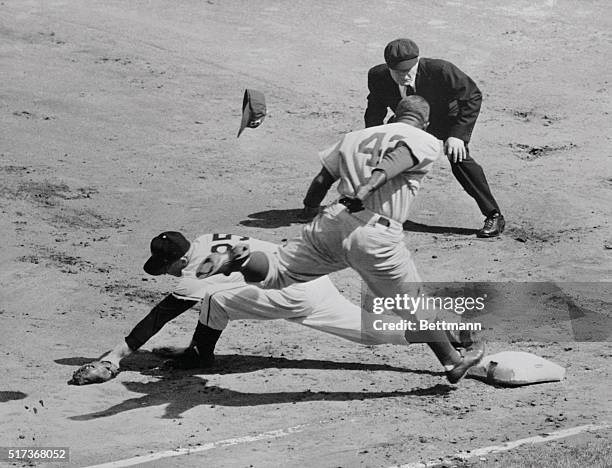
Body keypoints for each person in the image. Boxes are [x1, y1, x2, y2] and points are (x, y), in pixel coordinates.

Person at [198, 96, 485, 384]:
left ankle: (242, 259)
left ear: (392, 116)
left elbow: (322, 180)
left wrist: (309, 208)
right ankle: (451, 360)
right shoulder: (424, 139)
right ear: (426, 121)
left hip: (332, 222)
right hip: (376, 232)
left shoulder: (354, 137)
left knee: (278, 272)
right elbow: (396, 159)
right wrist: (367, 187)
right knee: (410, 302)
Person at [71, 232, 413, 384]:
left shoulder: (194, 274)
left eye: (166, 267)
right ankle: (450, 332)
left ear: (178, 259)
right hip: (311, 279)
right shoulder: (205, 240)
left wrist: (114, 357)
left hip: (290, 293)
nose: (166, 274)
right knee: (369, 332)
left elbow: (159, 316)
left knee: (215, 300)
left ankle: (199, 356)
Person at [363, 38, 504, 238]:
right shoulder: (378, 76)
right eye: (398, 73)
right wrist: (374, 139)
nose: (404, 77)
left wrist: (457, 136)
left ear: (418, 61)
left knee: (459, 158)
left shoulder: (441, 70)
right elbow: (374, 109)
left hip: (446, 119)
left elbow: (472, 96)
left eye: (408, 71)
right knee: (384, 157)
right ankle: (374, 210)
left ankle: (494, 214)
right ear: (388, 68)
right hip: (409, 120)